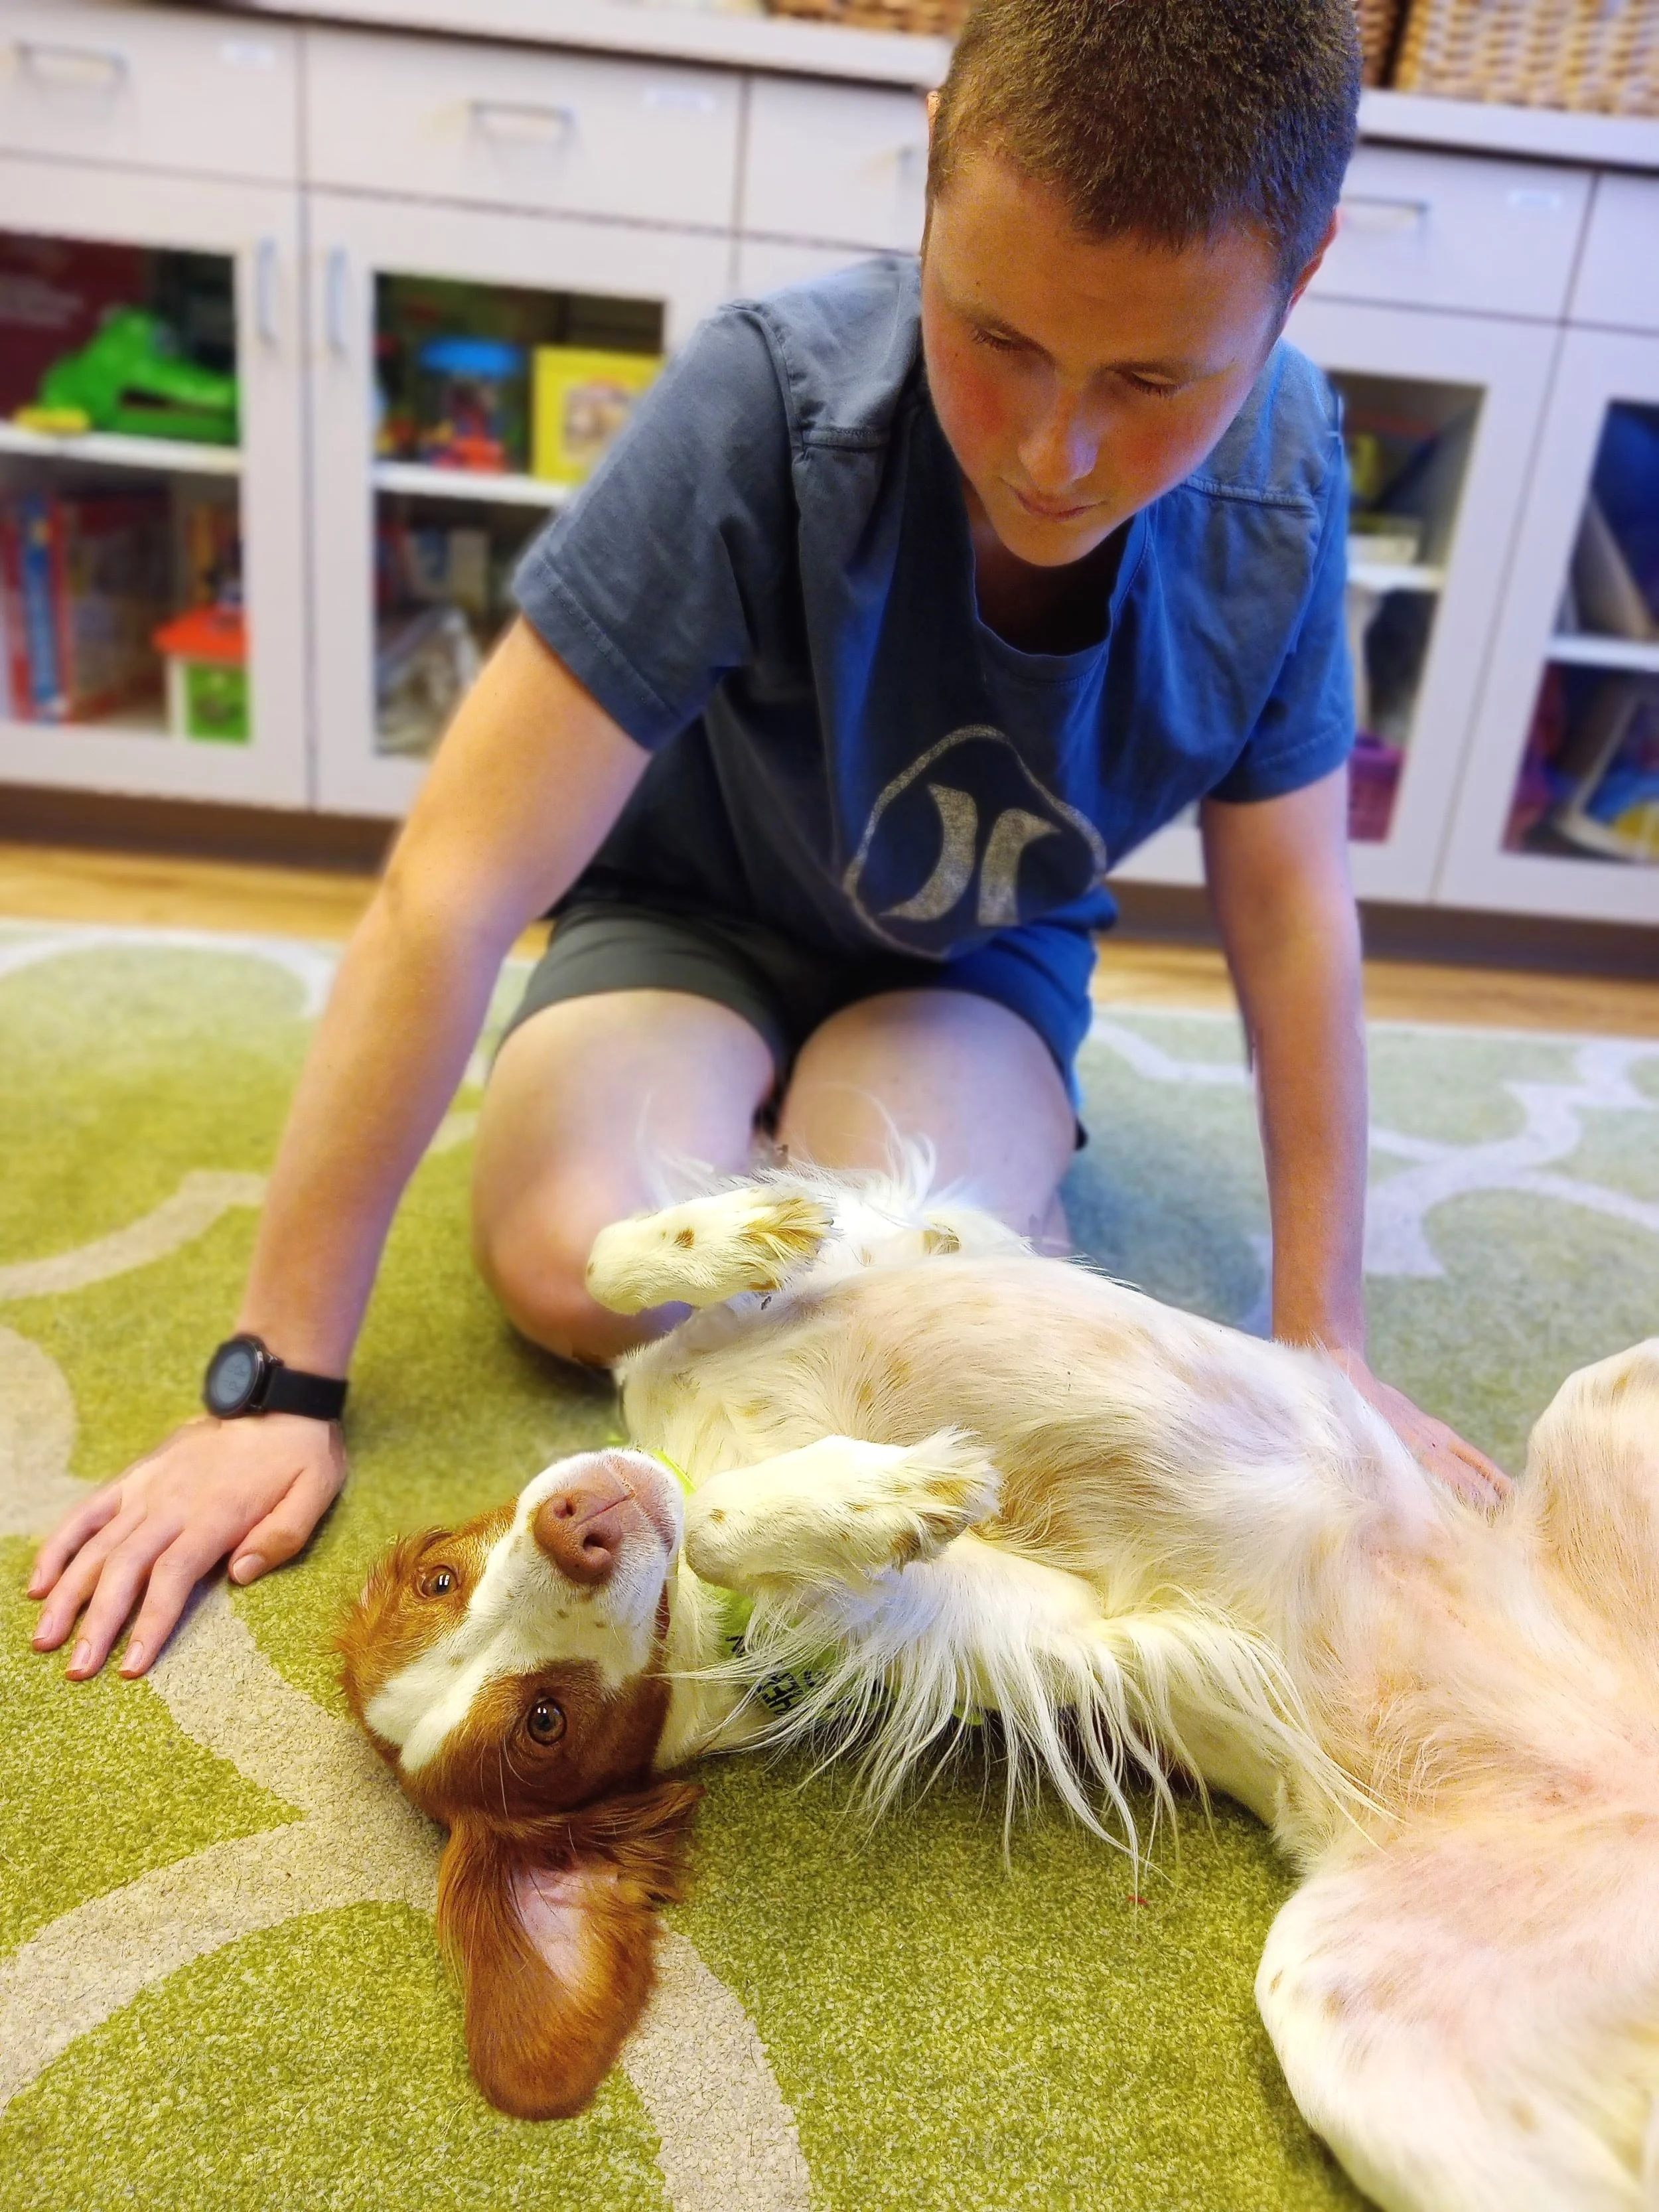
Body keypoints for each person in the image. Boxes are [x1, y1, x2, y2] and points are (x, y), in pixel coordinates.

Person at [29, 0, 1508, 1687]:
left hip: (972, 965)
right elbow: (451, 886)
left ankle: (838, 1139)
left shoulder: (1290, 483)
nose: (1052, 450)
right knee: (578, 1270)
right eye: (997, 337)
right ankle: (705, 1116)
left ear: (1297, 279)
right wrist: (276, 1379)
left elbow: (1294, 920)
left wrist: (1325, 1346)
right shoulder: (765, 400)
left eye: (1151, 379)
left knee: (909, 1314)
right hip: (688, 912)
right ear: (935, 165)